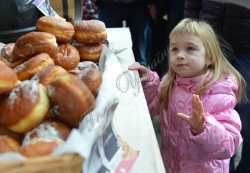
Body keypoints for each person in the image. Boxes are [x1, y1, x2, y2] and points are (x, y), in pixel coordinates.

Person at [128, 18, 246, 173]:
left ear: (209, 57)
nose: (180, 55)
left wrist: (203, 128)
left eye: (190, 48)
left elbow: (230, 145)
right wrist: (148, 83)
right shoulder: (169, 83)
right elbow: (151, 108)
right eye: (174, 49)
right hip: (170, 166)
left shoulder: (219, 93)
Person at [184, 1, 250, 172]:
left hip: (246, 49)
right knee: (212, 115)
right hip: (211, 44)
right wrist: (190, 31)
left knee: (246, 122)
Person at [94, 0, 149, 67]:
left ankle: (141, 73)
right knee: (108, 55)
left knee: (139, 56)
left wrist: (155, 3)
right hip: (108, 4)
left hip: (139, 4)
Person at [148, 0, 185, 78]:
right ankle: (162, 81)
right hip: (165, 6)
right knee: (163, 46)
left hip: (188, 6)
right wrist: (154, 3)